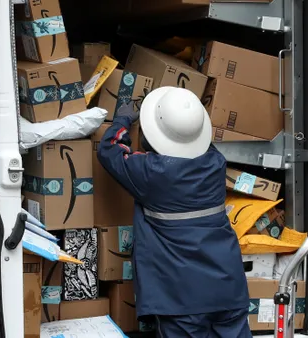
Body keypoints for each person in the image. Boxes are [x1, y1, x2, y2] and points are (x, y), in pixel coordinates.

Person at [97, 87, 251, 337]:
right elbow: (195, 143)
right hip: (227, 288)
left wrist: (123, 119)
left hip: (182, 298)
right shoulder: (215, 163)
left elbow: (110, 150)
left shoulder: (151, 173)